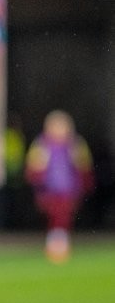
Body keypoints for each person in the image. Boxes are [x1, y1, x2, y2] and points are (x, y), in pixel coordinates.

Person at [25, 110, 94, 263]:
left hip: (69, 189)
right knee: (54, 215)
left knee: (65, 216)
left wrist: (84, 185)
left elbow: (84, 167)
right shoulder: (42, 144)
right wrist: (39, 186)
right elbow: (33, 169)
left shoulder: (76, 144)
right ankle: (54, 245)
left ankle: (61, 245)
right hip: (49, 189)